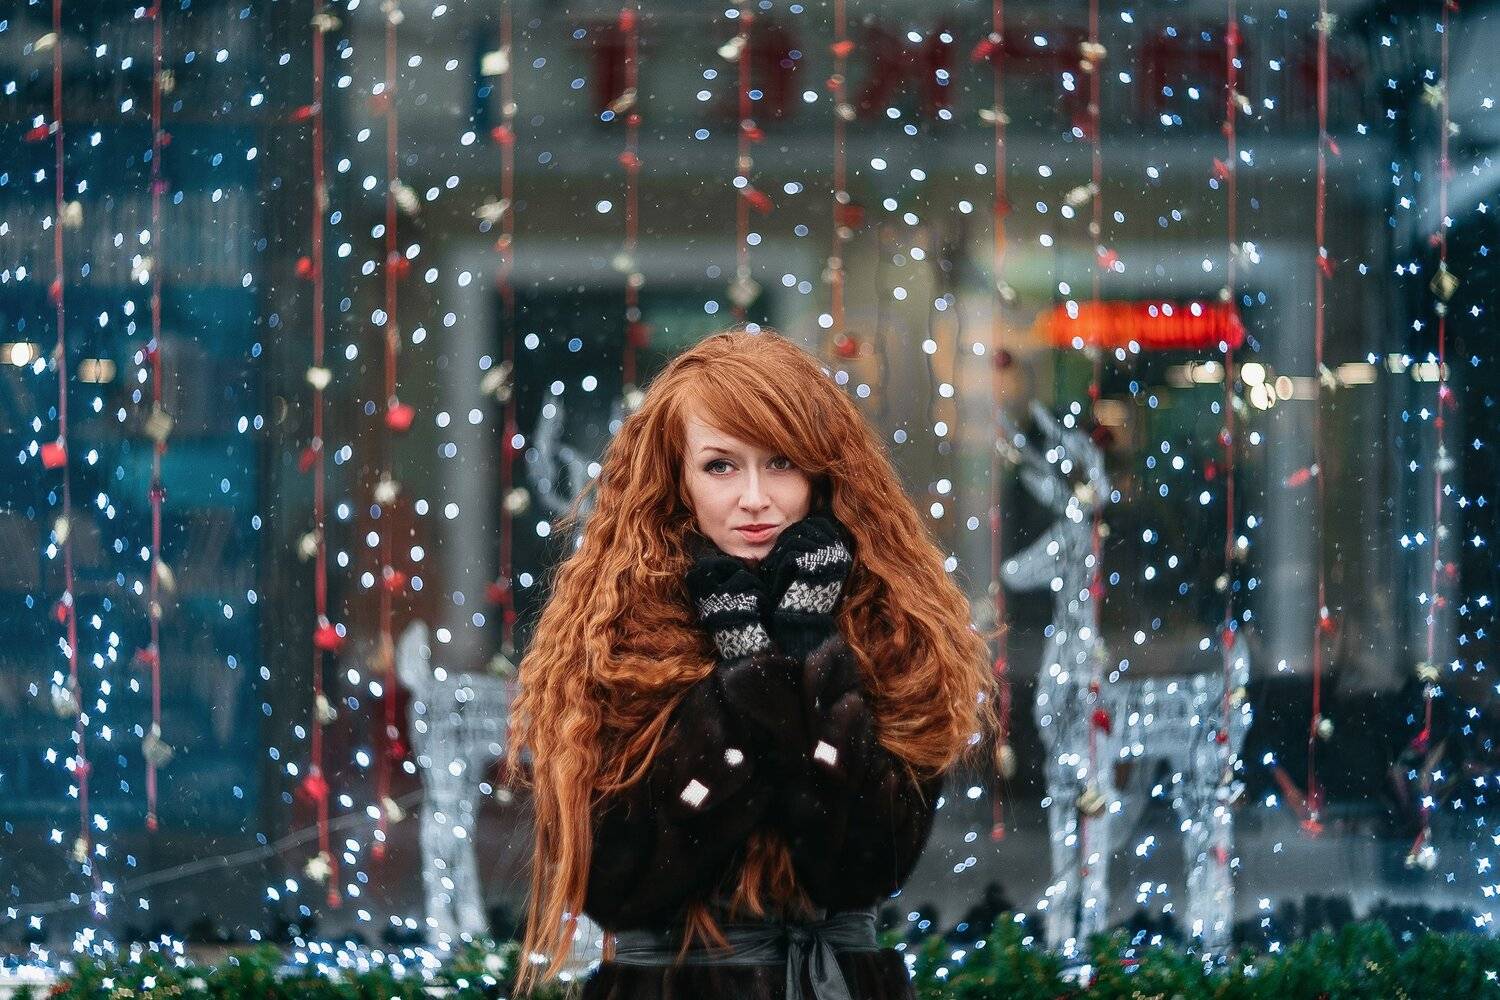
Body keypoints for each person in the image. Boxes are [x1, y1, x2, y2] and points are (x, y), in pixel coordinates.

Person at [506, 328, 999, 998]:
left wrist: (805, 647)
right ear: (676, 479)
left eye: (782, 464)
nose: (755, 498)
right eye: (720, 466)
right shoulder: (614, 639)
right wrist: (745, 678)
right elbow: (616, 886)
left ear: (823, 472)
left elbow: (869, 866)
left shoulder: (891, 628)